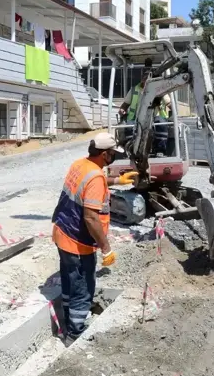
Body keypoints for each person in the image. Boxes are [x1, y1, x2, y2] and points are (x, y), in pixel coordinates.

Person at [51, 132, 138, 345]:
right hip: (79, 241)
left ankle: (68, 321)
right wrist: (106, 248)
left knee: (70, 281)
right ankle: (75, 334)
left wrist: (117, 180)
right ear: (104, 154)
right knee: (83, 287)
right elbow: (91, 218)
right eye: (112, 154)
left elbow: (92, 180)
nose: (113, 157)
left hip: (63, 232)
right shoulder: (96, 177)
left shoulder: (81, 164)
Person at [119, 58, 172, 156]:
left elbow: (168, 103)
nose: (146, 78)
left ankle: (159, 150)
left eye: (148, 77)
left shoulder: (159, 89)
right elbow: (125, 104)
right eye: (144, 76)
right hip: (136, 117)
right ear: (141, 78)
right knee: (129, 126)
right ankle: (131, 150)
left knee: (161, 124)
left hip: (155, 117)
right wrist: (122, 110)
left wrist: (172, 109)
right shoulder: (134, 90)